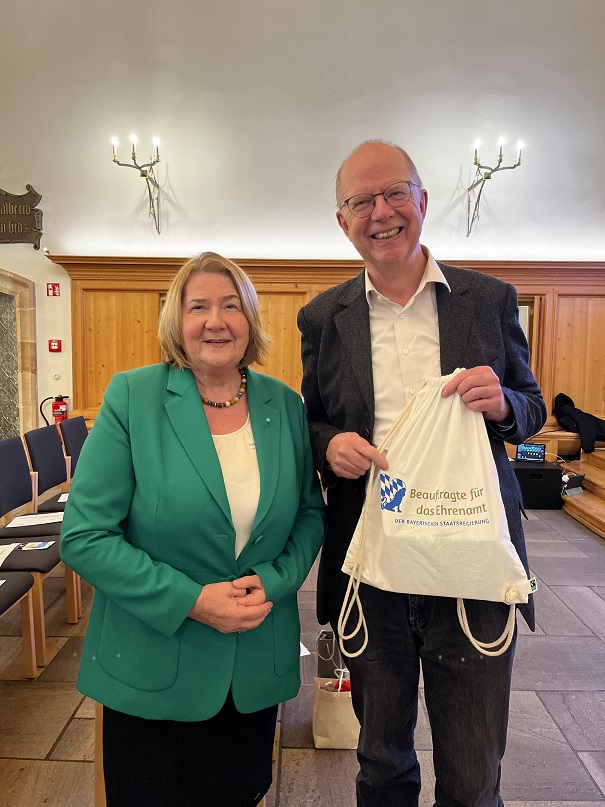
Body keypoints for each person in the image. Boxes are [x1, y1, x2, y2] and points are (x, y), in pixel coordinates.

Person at [297, 141, 546, 807]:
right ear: (342, 220)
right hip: (371, 563)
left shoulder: (489, 299)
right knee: (380, 762)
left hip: (469, 560)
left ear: (422, 201)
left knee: (470, 774)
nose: (380, 211)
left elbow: (532, 405)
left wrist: (505, 403)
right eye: (360, 201)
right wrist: (329, 446)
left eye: (394, 193)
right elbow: (310, 421)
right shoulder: (322, 317)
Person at [61, 251, 325, 807]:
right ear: (175, 322)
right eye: (198, 306)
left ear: (250, 320)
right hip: (154, 663)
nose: (215, 320)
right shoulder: (133, 397)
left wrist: (275, 582)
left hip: (252, 665)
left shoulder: (285, 404)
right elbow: (85, 534)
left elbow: (308, 514)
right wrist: (191, 600)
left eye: (231, 306)